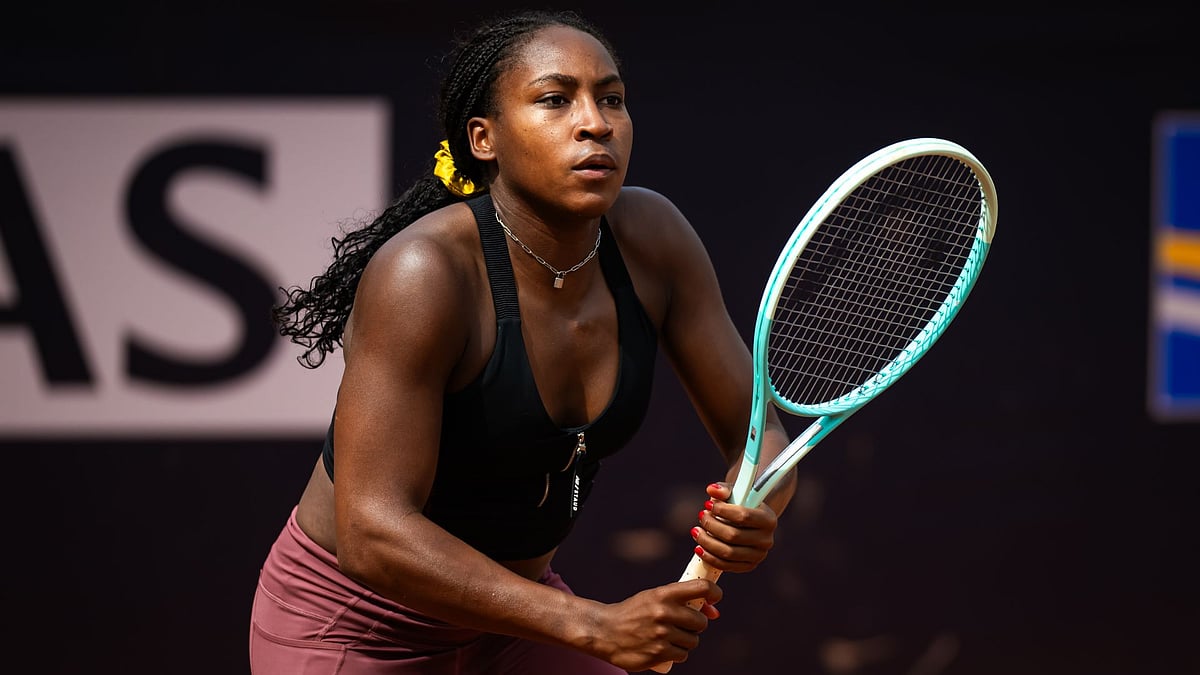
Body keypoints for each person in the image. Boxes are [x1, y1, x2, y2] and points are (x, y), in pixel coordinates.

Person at [249, 8, 797, 674]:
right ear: (485, 139)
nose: (596, 122)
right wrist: (591, 623)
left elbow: (758, 431)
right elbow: (371, 533)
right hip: (358, 627)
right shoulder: (424, 274)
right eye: (555, 99)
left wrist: (757, 501)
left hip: (514, 620)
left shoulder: (655, 239)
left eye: (613, 99)